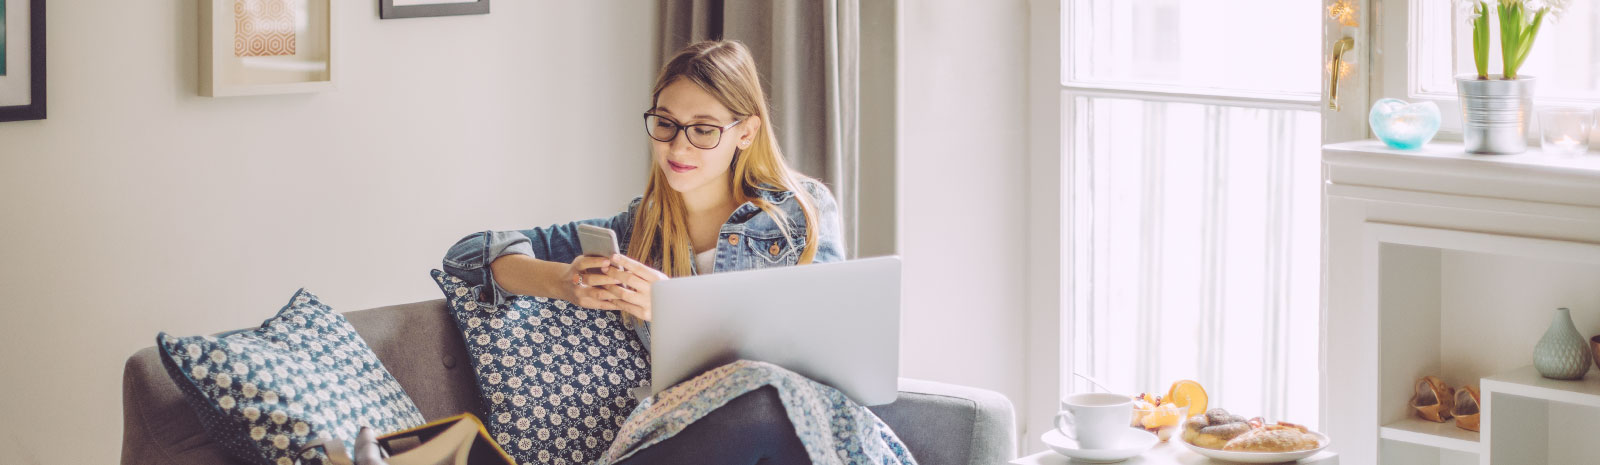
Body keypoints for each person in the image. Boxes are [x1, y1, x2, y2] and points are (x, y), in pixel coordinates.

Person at [418, 40, 894, 465]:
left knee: (766, 402)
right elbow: (469, 255)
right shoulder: (637, 229)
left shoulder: (798, 217)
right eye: (665, 123)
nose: (677, 146)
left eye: (703, 130)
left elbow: (823, 366)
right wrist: (562, 282)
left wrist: (676, 307)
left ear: (745, 133)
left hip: (781, 424)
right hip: (683, 434)